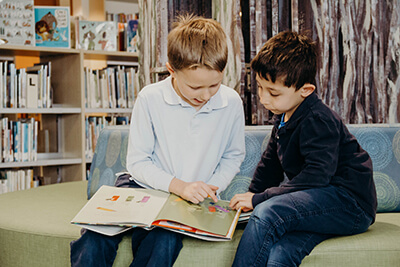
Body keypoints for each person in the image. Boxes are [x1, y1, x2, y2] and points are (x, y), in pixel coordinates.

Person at [70, 14, 245, 267]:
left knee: (164, 242)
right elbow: (138, 162)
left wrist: (209, 187)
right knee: (94, 238)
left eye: (214, 85)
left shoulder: (231, 103)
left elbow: (233, 156)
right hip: (141, 186)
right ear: (171, 70)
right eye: (195, 88)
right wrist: (178, 185)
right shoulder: (150, 98)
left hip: (188, 198)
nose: (206, 95)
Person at [229, 31, 377, 266]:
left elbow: (316, 177)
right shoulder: (284, 115)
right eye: (260, 88)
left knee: (268, 212)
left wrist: (259, 199)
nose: (263, 99)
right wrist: (247, 201)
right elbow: (270, 165)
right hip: (320, 205)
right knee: (280, 255)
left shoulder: (318, 119)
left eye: (273, 93)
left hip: (350, 205)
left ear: (305, 90)